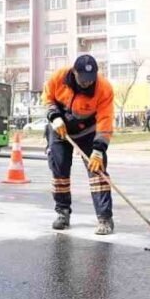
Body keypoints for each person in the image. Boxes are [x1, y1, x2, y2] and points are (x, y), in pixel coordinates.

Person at [43, 54, 116, 235]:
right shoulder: (59, 77)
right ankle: (62, 213)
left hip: (88, 133)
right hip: (61, 130)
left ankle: (105, 219)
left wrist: (99, 149)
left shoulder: (104, 88)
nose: (87, 83)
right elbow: (47, 97)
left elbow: (105, 121)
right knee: (59, 170)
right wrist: (54, 116)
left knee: (97, 172)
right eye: (83, 79)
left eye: (90, 80)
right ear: (74, 72)